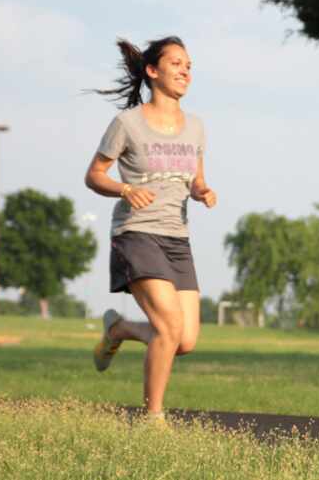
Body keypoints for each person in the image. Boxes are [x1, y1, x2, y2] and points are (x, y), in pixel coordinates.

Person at [85, 36, 216, 423]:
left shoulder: (196, 127)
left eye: (189, 65)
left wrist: (202, 191)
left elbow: (195, 180)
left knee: (185, 340)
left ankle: (120, 330)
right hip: (136, 233)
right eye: (176, 63)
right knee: (169, 327)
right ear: (153, 71)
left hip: (178, 239)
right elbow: (94, 175)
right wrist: (125, 188)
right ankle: (151, 420)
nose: (185, 71)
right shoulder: (127, 123)